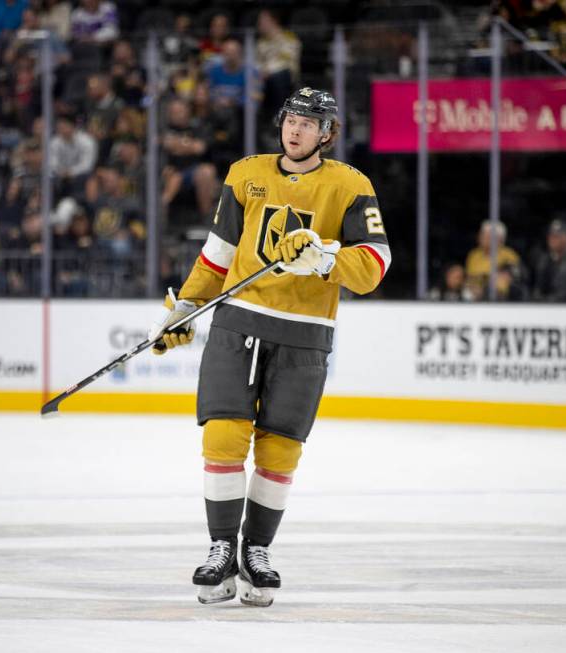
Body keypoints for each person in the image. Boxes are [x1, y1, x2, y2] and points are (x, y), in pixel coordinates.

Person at [147, 88, 390, 607]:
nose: (296, 129)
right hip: (239, 323)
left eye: (309, 123)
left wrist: (323, 256)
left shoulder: (350, 185)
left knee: (280, 451)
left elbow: (372, 267)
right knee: (222, 436)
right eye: (291, 120)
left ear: (328, 133)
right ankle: (221, 549)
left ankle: (256, 551)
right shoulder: (244, 173)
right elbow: (219, 253)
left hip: (304, 335)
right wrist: (186, 306)